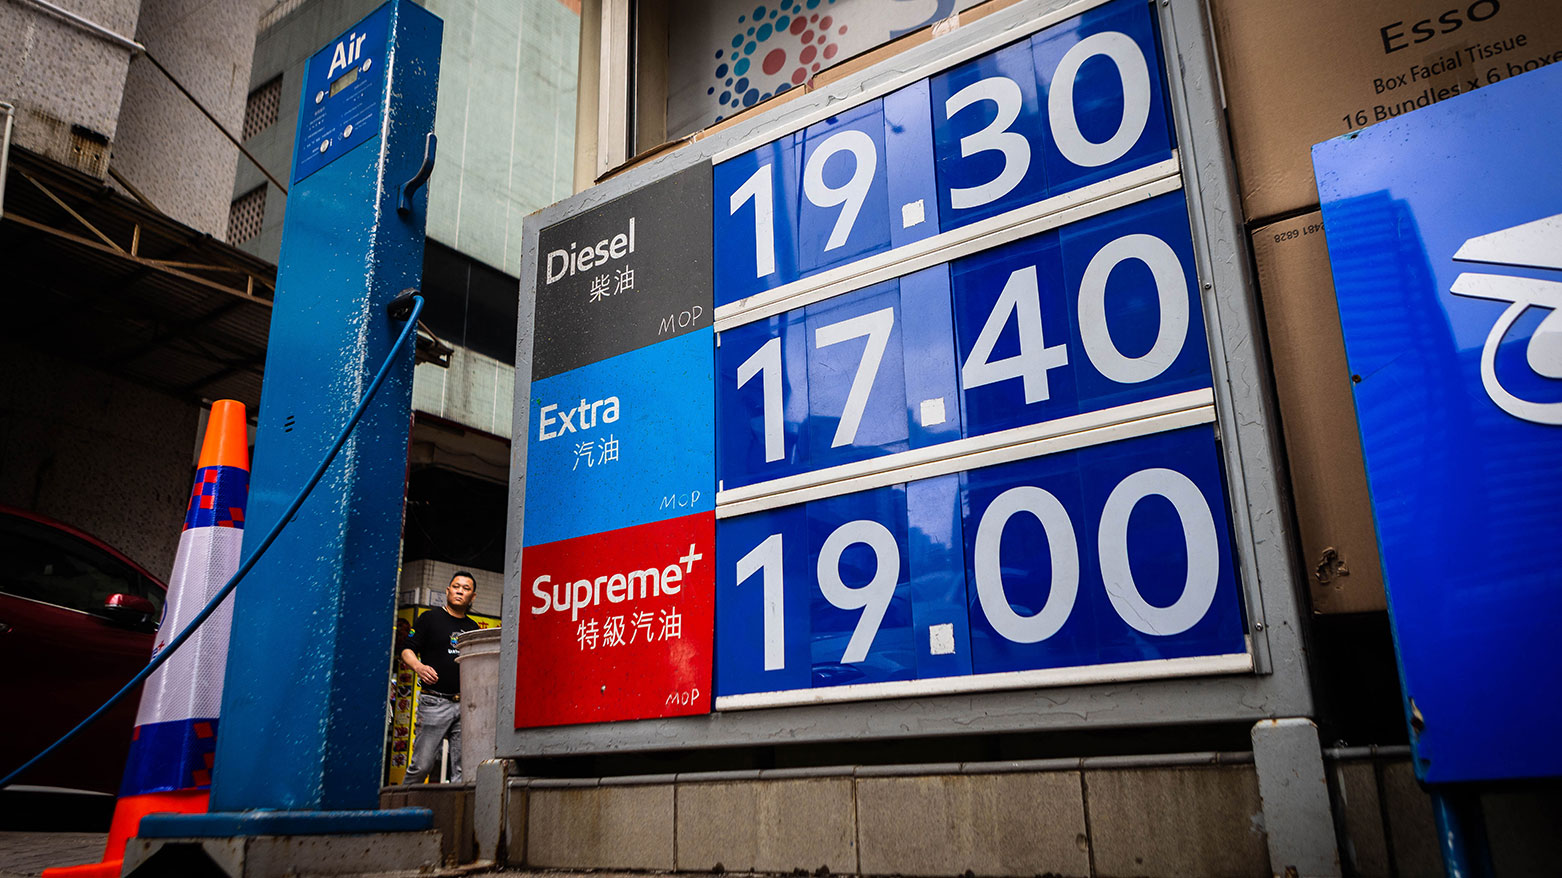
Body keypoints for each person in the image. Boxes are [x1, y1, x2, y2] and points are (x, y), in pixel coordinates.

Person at [399, 571, 481, 783]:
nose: (459, 591)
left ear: (473, 597)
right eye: (456, 586)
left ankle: (456, 815)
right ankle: (401, 812)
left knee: (463, 771)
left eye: (466, 589)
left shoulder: (472, 628)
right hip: (434, 702)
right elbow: (406, 650)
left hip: (464, 705)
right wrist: (418, 666)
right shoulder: (429, 618)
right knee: (422, 765)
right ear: (447, 591)